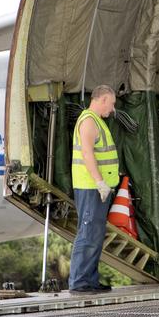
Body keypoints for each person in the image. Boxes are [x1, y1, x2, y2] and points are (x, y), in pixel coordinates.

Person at [69, 84, 120, 294]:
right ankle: (79, 282)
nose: (113, 109)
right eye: (112, 103)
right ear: (103, 99)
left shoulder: (97, 121)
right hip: (91, 188)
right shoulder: (89, 121)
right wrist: (99, 182)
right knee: (88, 233)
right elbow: (87, 154)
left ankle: (90, 280)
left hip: (98, 189)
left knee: (95, 235)